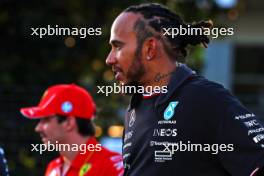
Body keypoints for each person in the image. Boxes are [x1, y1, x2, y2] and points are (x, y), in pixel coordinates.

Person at [106, 3, 264, 176]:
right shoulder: (135, 109)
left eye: (118, 46)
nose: (109, 59)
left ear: (150, 49)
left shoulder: (206, 98)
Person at [20, 84, 123, 176]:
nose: (37, 128)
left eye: (46, 120)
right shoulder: (54, 167)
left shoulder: (111, 167)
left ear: (69, 123)